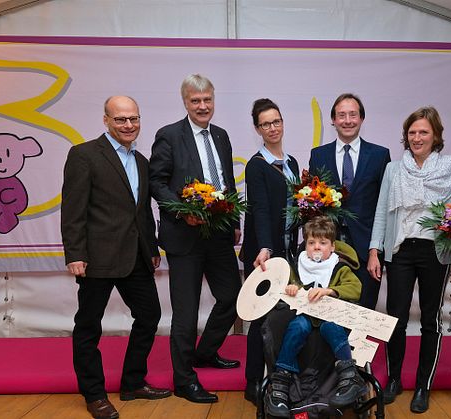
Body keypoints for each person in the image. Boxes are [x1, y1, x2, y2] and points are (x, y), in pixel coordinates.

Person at [61, 96, 170, 419]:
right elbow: (73, 209)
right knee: (89, 327)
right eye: (121, 119)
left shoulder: (141, 161)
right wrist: (75, 253)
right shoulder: (83, 155)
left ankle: (133, 382)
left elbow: (142, 212)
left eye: (133, 119)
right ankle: (93, 394)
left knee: (149, 316)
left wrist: (151, 250)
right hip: (96, 258)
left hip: (136, 256)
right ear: (106, 120)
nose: (128, 125)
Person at [148, 74, 242, 404]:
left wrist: (234, 221)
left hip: (218, 232)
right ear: (185, 102)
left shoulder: (222, 136)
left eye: (207, 100)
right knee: (185, 313)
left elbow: (227, 180)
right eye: (195, 101)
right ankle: (184, 379)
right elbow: (156, 183)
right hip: (184, 235)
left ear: (214, 101)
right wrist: (180, 210)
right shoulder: (169, 136)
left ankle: (205, 353)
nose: (202, 106)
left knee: (234, 297)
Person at [367, 106, 451, 413]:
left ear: (436, 136)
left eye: (423, 132)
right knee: (394, 318)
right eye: (412, 132)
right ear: (405, 137)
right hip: (400, 251)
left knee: (429, 320)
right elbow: (383, 210)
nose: (417, 137)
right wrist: (374, 250)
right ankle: (395, 380)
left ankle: (423, 386)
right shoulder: (394, 169)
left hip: (436, 252)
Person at [264, 216, 366, 418]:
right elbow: (285, 289)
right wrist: (292, 287)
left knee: (332, 327)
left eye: (322, 243)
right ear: (305, 246)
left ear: (332, 247)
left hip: (331, 316)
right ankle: (281, 380)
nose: (316, 248)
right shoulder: (297, 266)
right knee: (297, 327)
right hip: (305, 316)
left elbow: (355, 289)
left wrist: (330, 291)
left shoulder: (340, 267)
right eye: (311, 243)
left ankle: (349, 375)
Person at [240, 98, 299, 402]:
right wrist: (265, 248)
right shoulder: (256, 165)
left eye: (276, 121)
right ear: (257, 129)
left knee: (285, 318)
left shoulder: (291, 163)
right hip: (264, 256)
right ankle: (252, 382)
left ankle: (280, 378)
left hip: (290, 253)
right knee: (258, 317)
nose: (272, 128)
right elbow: (260, 210)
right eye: (265, 124)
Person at [309, 93, 391, 309]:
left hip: (367, 250)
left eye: (353, 115)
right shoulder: (318, 155)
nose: (347, 121)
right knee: (330, 312)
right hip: (329, 249)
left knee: (364, 312)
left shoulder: (379, 155)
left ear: (362, 119)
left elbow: (384, 206)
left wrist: (377, 251)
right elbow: (313, 206)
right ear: (333, 120)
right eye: (341, 115)